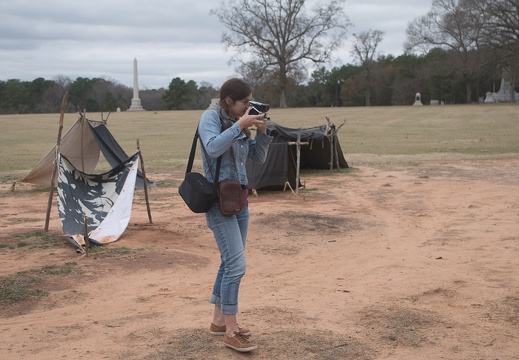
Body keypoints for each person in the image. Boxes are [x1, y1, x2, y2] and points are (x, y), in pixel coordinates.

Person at [198, 78, 271, 352]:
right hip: (218, 201)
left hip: (239, 200)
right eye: (245, 102)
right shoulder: (210, 117)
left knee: (229, 262)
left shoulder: (241, 121)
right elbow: (213, 147)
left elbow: (257, 158)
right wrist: (241, 125)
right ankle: (231, 331)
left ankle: (218, 321)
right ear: (229, 101)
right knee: (237, 266)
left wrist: (262, 131)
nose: (248, 107)